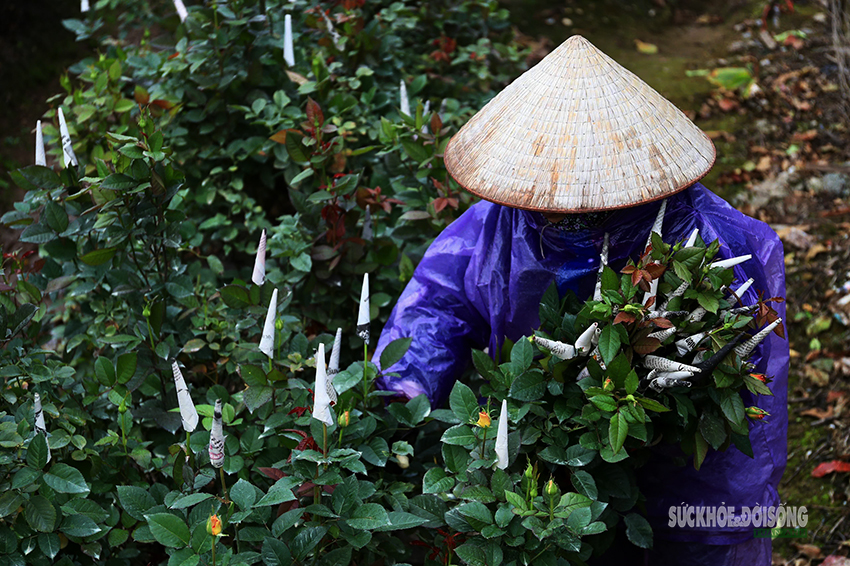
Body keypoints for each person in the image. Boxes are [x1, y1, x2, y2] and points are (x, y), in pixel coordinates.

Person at [373, 35, 787, 566]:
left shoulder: (713, 242)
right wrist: (402, 395)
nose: (562, 215)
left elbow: (745, 395)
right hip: (550, 450)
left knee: (689, 530)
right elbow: (437, 303)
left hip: (681, 467)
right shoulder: (505, 224)